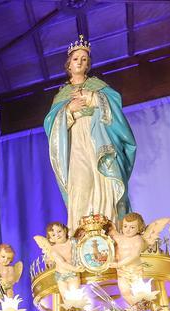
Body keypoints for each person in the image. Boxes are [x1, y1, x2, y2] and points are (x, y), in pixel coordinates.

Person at [44, 35, 136, 226]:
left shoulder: (99, 87)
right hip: (76, 141)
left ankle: (107, 227)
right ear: (68, 65)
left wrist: (92, 97)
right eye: (76, 59)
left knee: (102, 180)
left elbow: (115, 107)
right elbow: (50, 124)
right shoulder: (61, 95)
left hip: (98, 138)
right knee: (80, 183)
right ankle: (80, 231)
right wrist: (68, 110)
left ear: (88, 65)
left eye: (84, 60)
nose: (80, 62)